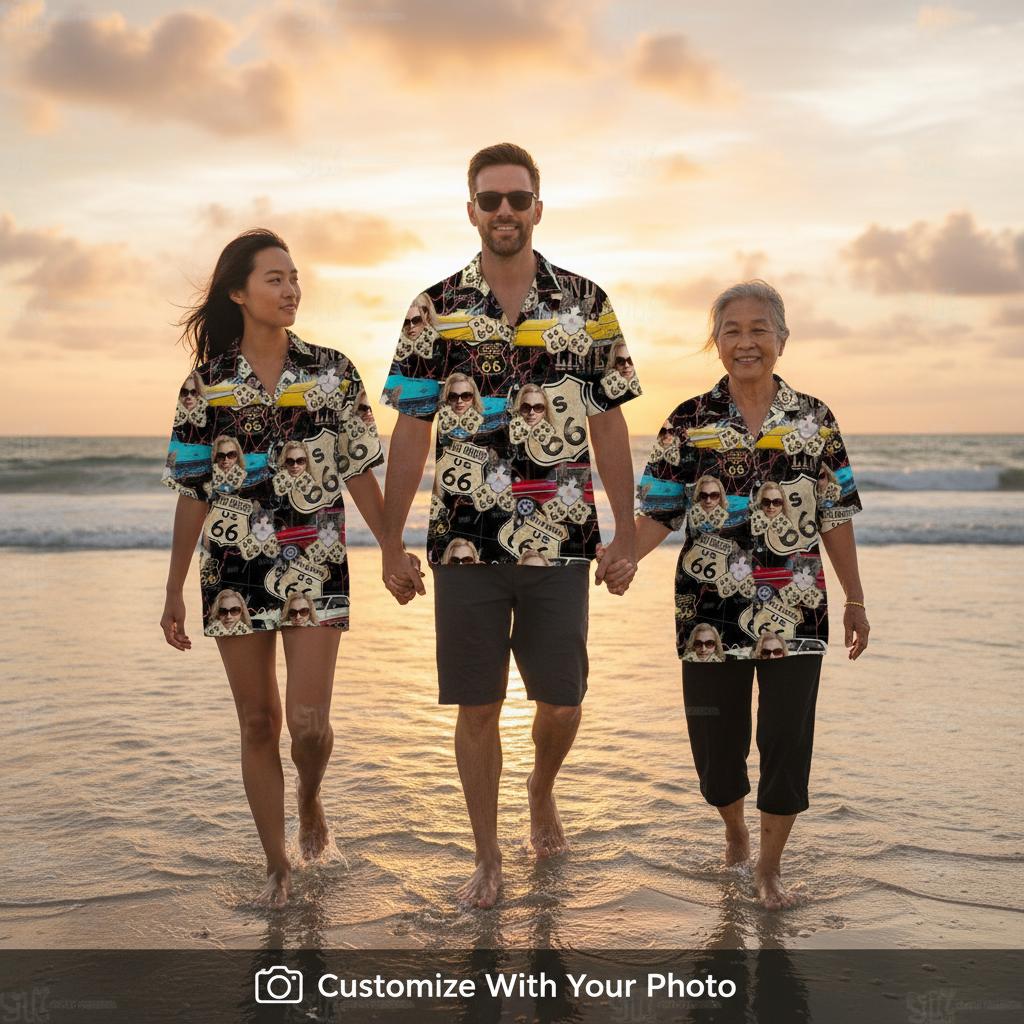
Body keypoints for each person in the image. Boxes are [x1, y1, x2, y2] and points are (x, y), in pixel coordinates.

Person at [380, 142, 640, 908]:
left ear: (537, 207)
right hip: (464, 541)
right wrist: (391, 540)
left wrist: (624, 531)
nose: (504, 212)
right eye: (489, 199)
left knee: (562, 701)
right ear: (471, 210)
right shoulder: (435, 307)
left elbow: (613, 424)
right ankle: (487, 856)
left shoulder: (586, 303)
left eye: (516, 199)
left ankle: (542, 786)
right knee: (478, 704)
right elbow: (408, 431)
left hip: (562, 536)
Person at [158, 229, 411, 909]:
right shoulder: (206, 385)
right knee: (256, 723)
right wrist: (175, 588)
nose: (290, 288)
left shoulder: (332, 371)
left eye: (294, 277)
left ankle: (310, 799)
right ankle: (278, 865)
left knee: (308, 724)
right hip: (232, 568)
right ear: (238, 292)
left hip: (315, 563)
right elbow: (192, 491)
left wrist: (390, 546)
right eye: (274, 278)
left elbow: (360, 469)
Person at [635, 279, 869, 911]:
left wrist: (855, 599)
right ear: (716, 344)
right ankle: (735, 830)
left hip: (798, 609)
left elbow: (836, 513)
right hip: (707, 613)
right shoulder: (687, 421)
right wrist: (625, 555)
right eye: (732, 330)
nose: (746, 342)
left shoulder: (815, 419)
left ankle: (768, 866)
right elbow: (658, 510)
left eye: (759, 329)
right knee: (715, 743)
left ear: (782, 339)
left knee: (788, 738)